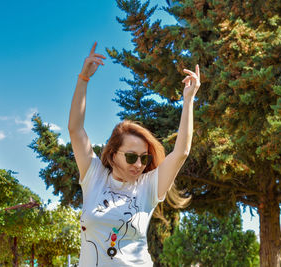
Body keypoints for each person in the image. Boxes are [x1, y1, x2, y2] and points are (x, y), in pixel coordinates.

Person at [68, 42, 200, 267]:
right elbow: (76, 129)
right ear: (112, 155)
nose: (139, 164)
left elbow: (181, 152)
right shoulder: (94, 177)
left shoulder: (148, 186)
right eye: (131, 156)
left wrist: (188, 100)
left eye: (144, 158)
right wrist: (83, 79)